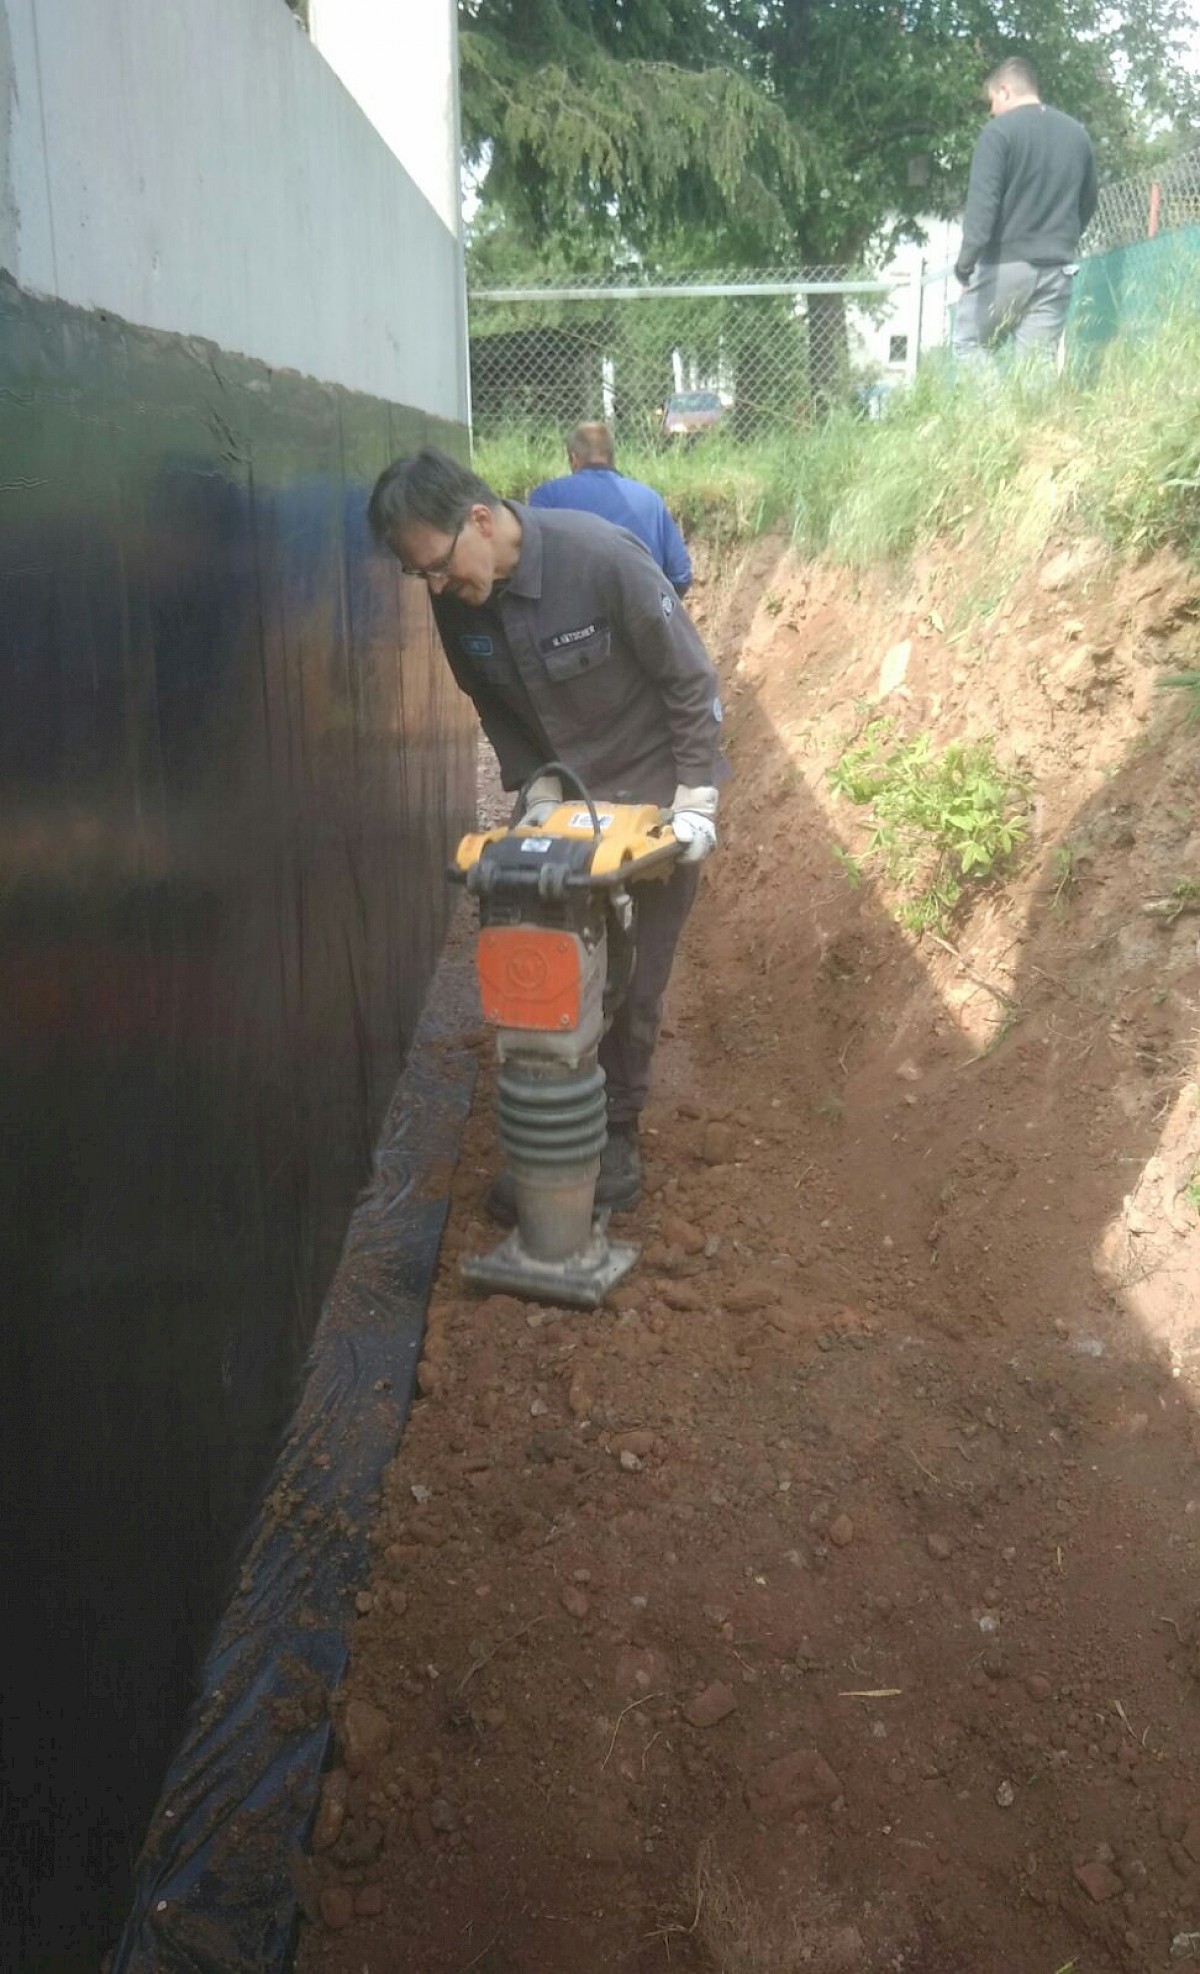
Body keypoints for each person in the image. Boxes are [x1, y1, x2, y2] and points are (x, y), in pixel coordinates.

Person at [367, 446, 726, 1216]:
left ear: (480, 519)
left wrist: (697, 798)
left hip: (653, 805)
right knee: (555, 971)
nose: (435, 586)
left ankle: (617, 1132)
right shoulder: (455, 597)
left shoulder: (599, 559)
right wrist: (531, 795)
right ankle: (554, 1139)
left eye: (437, 566)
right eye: (419, 576)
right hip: (564, 810)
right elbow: (495, 705)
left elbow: (689, 679)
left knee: (632, 979)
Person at [953, 57, 1098, 361]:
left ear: (1005, 90)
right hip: (1057, 268)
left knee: (969, 344)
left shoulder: (998, 133)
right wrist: (1063, 241)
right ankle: (1031, 410)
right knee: (1037, 363)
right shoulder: (1077, 134)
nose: (992, 110)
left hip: (1005, 264)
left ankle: (996, 410)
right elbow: (1088, 202)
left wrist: (965, 266)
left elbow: (983, 207)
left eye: (992, 100)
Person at [529, 421, 693, 596]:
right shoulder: (651, 499)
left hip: (572, 615)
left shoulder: (547, 497)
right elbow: (680, 575)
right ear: (611, 457)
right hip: (643, 613)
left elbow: (530, 565)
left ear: (574, 458)